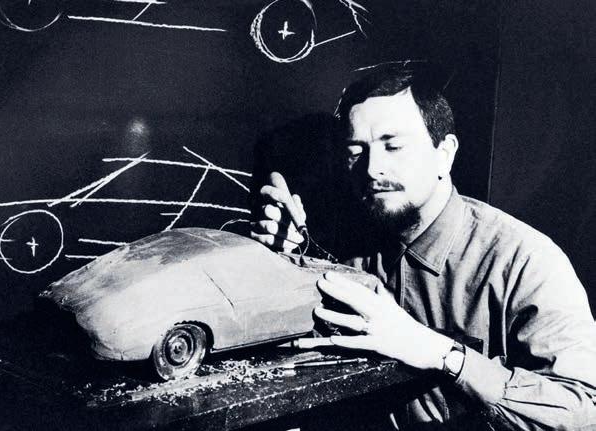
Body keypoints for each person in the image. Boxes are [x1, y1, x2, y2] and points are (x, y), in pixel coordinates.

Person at [250, 62, 596, 430]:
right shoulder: (339, 239)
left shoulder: (523, 261)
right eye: (356, 151)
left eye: (394, 146)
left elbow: (582, 410)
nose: (372, 168)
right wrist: (286, 263)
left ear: (444, 154)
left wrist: (443, 354)